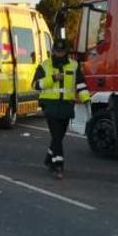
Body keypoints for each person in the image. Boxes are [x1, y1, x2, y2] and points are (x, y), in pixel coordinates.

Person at [32, 40, 90, 178]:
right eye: (57, 51)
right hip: (50, 105)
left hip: (66, 105)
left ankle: (48, 158)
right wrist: (52, 78)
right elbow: (35, 85)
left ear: (66, 52)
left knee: (59, 136)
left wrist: (86, 98)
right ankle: (58, 166)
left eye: (62, 51)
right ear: (53, 51)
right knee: (56, 136)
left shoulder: (74, 66)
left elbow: (80, 84)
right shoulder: (44, 65)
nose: (59, 54)